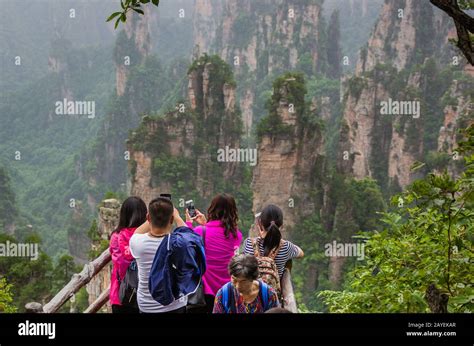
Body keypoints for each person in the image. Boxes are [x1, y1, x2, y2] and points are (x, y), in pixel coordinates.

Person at [185, 193, 242, 313]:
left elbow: (185, 242)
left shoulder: (200, 232)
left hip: (205, 293)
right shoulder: (236, 234)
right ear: (233, 212)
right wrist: (206, 225)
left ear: (212, 209)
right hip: (227, 292)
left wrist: (189, 223)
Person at [129, 197, 188, 313]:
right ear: (171, 219)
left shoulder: (137, 242)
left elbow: (137, 232)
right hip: (176, 305)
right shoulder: (180, 243)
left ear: (148, 218)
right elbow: (188, 235)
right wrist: (177, 217)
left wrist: (153, 215)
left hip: (147, 306)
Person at [243, 204, 304, 279]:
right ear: (281, 226)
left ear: (260, 224)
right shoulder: (286, 246)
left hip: (252, 290)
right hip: (273, 290)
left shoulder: (248, 243)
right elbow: (301, 253)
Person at [109, 196, 147, 313]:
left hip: (123, 295)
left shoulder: (117, 236)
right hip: (146, 294)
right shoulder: (149, 235)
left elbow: (120, 266)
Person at [213, 254, 279, 313]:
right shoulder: (223, 294)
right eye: (234, 279)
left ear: (253, 278)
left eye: (243, 281)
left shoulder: (269, 294)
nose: (237, 286)